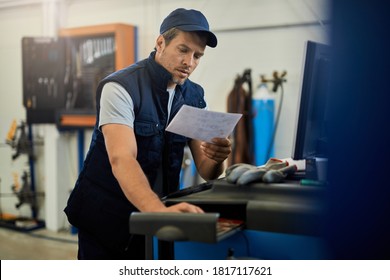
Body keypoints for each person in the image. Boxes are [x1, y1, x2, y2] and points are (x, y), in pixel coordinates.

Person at [64, 8, 232, 260]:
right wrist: (159, 213)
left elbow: (207, 170)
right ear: (160, 43)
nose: (190, 63)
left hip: (157, 216)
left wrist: (218, 157)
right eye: (183, 50)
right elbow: (122, 159)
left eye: (198, 56)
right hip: (108, 221)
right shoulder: (120, 87)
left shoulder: (194, 96)